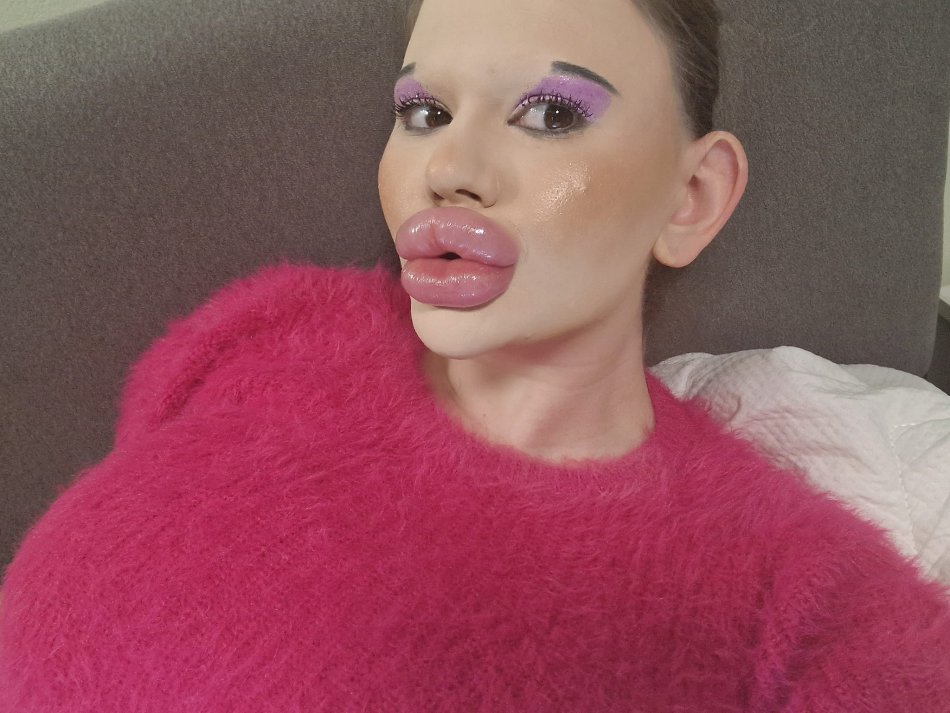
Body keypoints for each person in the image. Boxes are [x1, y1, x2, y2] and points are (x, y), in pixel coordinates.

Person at [1, 0, 948, 710]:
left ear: (692, 196)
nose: (447, 170)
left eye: (551, 114)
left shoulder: (794, 596)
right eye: (424, 112)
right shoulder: (271, 326)